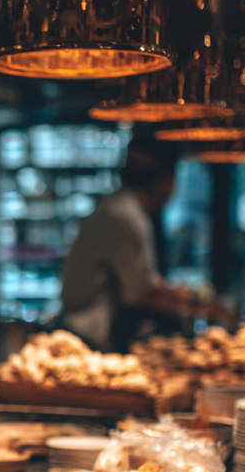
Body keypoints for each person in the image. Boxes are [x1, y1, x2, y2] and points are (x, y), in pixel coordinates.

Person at [58, 148, 228, 351]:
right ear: (162, 182)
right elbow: (142, 293)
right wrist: (201, 307)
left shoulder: (122, 208)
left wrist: (180, 296)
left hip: (87, 332)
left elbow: (144, 281)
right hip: (87, 336)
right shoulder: (125, 216)